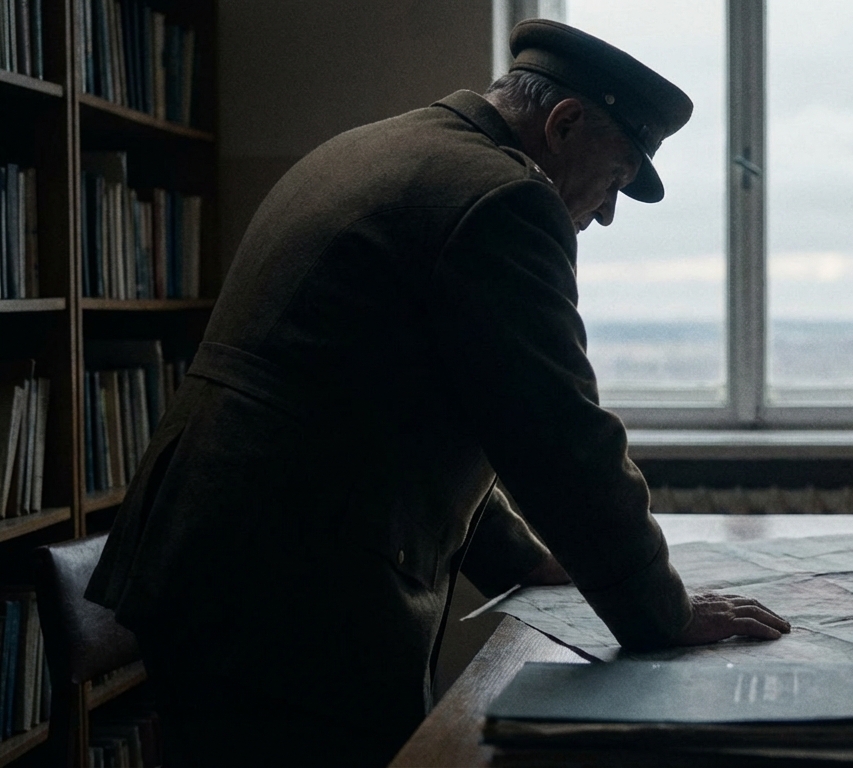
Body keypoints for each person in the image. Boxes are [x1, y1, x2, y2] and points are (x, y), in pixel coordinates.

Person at [86, 18, 790, 768]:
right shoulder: (505, 199)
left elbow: (410, 413)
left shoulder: (381, 147)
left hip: (215, 568)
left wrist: (525, 559)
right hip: (293, 599)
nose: (609, 210)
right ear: (565, 122)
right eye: (616, 177)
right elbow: (556, 435)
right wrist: (663, 615)